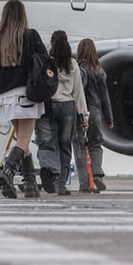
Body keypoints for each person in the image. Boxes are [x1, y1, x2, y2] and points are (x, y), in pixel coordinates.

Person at [0, 0, 46, 199]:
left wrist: (2, 79)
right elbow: (44, 61)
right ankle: (7, 172)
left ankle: (30, 186)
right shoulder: (30, 36)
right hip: (25, 95)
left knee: (22, 141)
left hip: (6, 97)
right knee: (24, 139)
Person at [35, 30, 88, 196]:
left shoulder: (47, 62)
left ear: (51, 42)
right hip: (68, 108)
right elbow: (78, 92)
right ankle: (61, 185)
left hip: (48, 105)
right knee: (65, 146)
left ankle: (48, 168)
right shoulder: (72, 64)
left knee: (46, 142)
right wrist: (84, 115)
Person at [73, 38, 115, 192]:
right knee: (95, 144)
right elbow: (105, 97)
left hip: (78, 111)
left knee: (79, 147)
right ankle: (97, 173)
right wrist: (109, 118)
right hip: (95, 112)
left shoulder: (75, 70)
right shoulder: (99, 71)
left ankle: (85, 184)